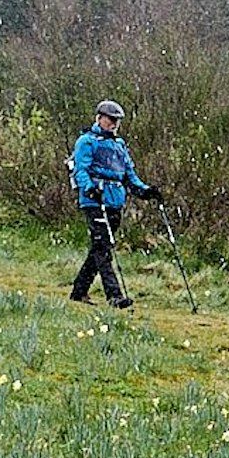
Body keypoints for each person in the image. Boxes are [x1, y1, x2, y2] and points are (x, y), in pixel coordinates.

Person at [70, 99, 162, 308]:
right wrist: (90, 188)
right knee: (103, 246)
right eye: (111, 120)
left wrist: (146, 191)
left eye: (117, 121)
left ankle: (79, 291)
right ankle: (114, 296)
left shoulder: (119, 145)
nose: (114, 124)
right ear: (100, 118)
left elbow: (129, 175)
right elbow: (80, 170)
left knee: (99, 247)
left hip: (115, 202)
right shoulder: (86, 141)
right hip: (94, 202)